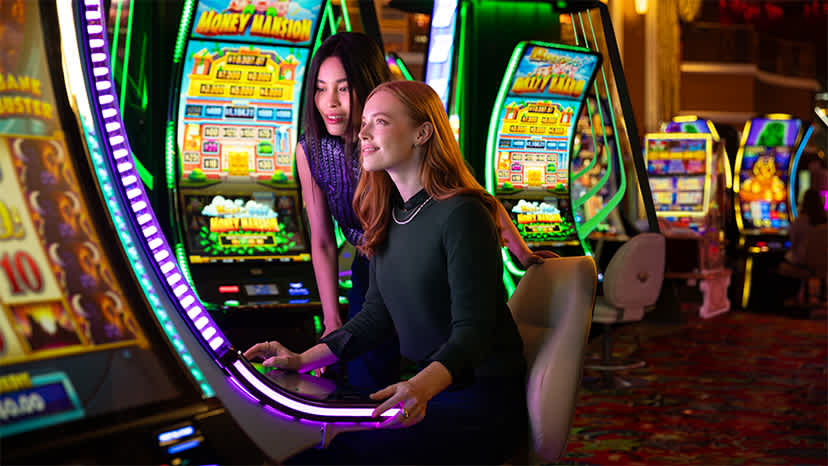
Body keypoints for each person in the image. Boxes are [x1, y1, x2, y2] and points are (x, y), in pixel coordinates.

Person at [246, 81, 530, 465]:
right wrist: (300, 360)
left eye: (378, 122)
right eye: (364, 123)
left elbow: (474, 331)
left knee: (328, 453)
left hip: (478, 402)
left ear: (422, 132)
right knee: (294, 442)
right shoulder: (390, 217)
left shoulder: (463, 213)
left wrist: (419, 388)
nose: (362, 133)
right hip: (428, 390)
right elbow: (376, 316)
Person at [296, 32, 553, 392]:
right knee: (363, 383)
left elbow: (465, 197)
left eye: (343, 88)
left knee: (426, 359)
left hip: (465, 380)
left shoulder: (446, 203)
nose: (331, 103)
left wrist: (522, 252)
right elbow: (326, 247)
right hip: (376, 253)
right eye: (321, 89)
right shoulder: (325, 157)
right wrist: (320, 333)